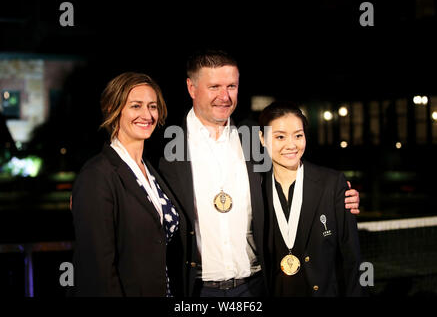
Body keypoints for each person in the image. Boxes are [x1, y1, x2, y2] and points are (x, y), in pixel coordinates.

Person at [158, 49, 361, 297]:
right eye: (214, 87)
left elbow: (294, 166)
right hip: (195, 289)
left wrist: (340, 195)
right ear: (191, 88)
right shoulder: (164, 149)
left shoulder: (253, 136)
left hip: (255, 286)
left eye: (231, 86)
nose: (224, 96)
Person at [70, 72, 186, 296]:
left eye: (152, 106)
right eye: (136, 106)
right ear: (114, 110)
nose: (147, 114)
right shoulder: (97, 175)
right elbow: (97, 269)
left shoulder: (152, 171)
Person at [258, 101, 364, 296]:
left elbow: (352, 258)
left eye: (298, 135)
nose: (291, 145)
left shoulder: (332, 184)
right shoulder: (256, 188)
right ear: (262, 138)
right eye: (280, 137)